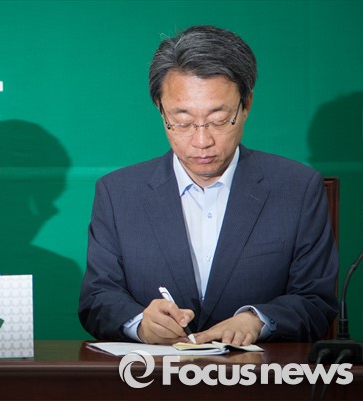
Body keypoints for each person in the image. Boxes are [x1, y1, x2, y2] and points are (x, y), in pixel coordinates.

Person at [78, 26, 338, 345]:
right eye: (183, 121)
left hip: (259, 372)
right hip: (154, 374)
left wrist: (257, 320)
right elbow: (97, 298)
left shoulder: (297, 188)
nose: (202, 141)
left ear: (246, 105)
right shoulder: (118, 194)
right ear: (160, 109)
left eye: (218, 120)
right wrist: (140, 324)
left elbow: (316, 301)